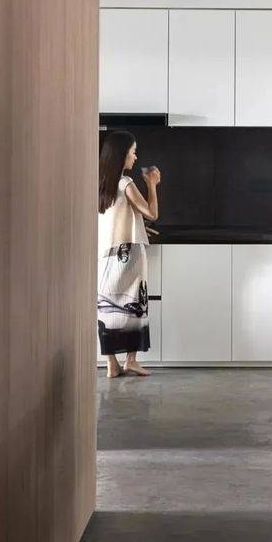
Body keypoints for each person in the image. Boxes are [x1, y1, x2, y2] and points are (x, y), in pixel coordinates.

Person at [97, 129, 161, 378]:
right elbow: (152, 213)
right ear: (122, 154)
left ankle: (111, 363)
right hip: (130, 254)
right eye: (133, 152)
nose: (135, 157)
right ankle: (131, 361)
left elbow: (114, 216)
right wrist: (152, 184)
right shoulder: (126, 183)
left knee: (107, 306)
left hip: (106, 254)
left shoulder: (101, 183)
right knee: (135, 304)